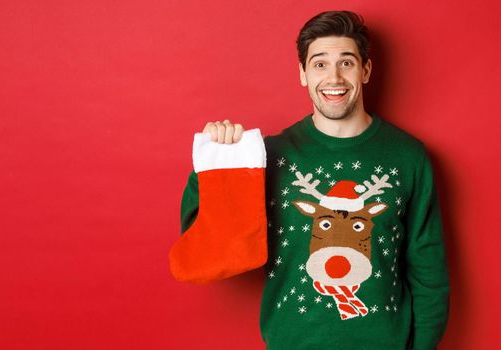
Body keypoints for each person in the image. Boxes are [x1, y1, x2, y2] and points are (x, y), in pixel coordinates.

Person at [179, 10, 450, 349]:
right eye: (320, 64)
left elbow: (429, 272)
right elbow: (203, 241)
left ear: (365, 70)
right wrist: (213, 164)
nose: (333, 77)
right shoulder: (266, 156)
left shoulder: (408, 157)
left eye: (346, 63)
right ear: (303, 74)